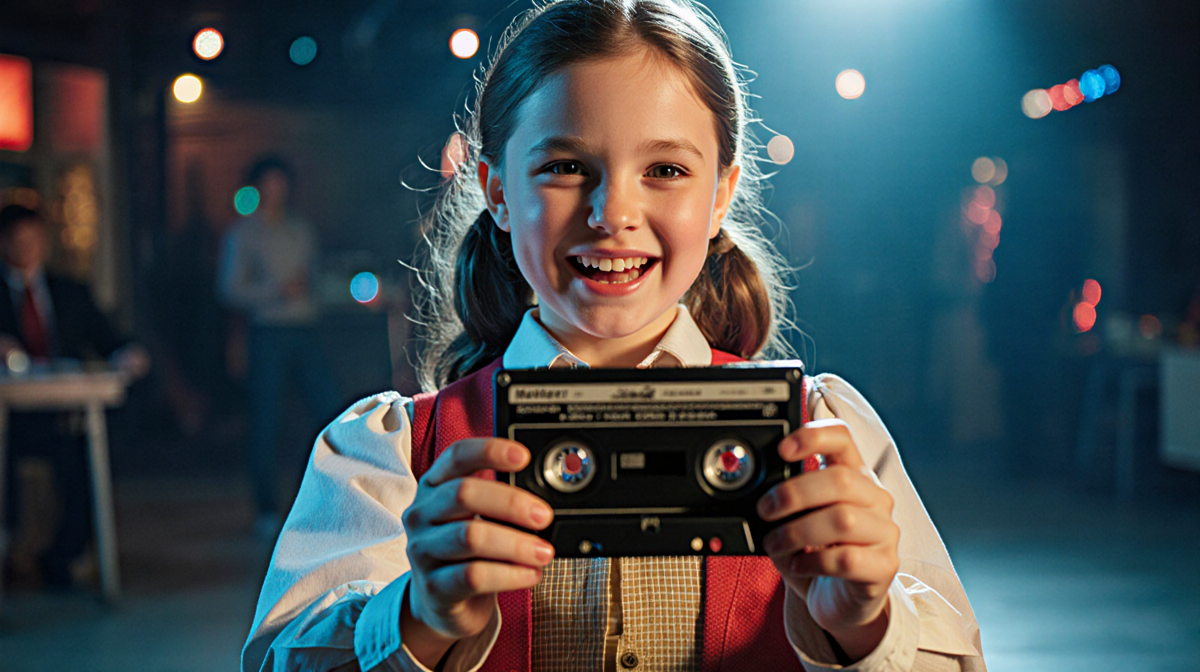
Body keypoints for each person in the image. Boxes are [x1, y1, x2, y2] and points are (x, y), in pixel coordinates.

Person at [243, 1, 985, 670]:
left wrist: (863, 627)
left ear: (721, 193)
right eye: (566, 166)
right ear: (497, 190)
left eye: (665, 168)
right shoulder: (390, 455)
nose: (612, 212)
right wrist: (414, 620)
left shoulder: (826, 436)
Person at [0, 203, 149, 586]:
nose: (27, 249)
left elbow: (108, 338)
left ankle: (62, 558)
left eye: (34, 240)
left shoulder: (69, 290)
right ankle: (8, 553)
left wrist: (127, 353)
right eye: (18, 241)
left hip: (61, 414)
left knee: (88, 460)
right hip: (9, 418)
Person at [217, 156, 342, 539]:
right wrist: (274, 291)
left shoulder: (301, 230)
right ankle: (267, 508)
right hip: (267, 331)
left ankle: (337, 500)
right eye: (269, 182)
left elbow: (316, 280)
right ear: (258, 186)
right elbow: (229, 289)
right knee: (266, 420)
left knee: (330, 410)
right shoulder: (243, 234)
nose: (276, 189)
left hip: (305, 330)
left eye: (281, 182)